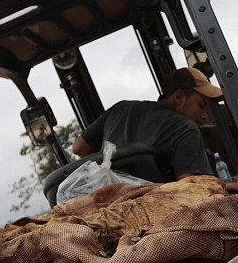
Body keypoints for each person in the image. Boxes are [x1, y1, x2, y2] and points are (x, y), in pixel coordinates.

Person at [72, 67, 222, 180]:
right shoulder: (186, 129)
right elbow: (191, 190)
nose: (205, 116)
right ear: (179, 98)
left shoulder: (120, 109)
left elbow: (79, 147)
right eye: (202, 105)